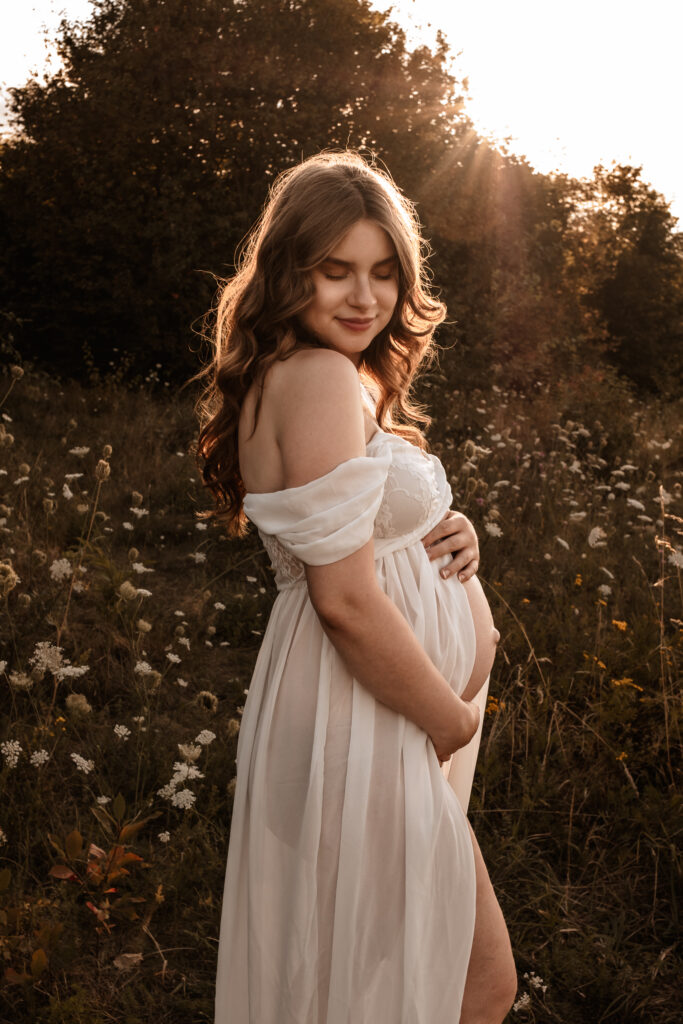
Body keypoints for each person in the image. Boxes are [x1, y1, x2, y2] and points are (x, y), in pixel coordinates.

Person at [195, 151, 516, 1023]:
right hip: (367, 714)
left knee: (372, 978)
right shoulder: (320, 376)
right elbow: (340, 598)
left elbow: (361, 536)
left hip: (367, 712)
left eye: (382, 273)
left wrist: (447, 532)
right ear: (286, 270)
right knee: (471, 984)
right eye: (333, 270)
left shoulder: (325, 379)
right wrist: (449, 717)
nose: (363, 298)